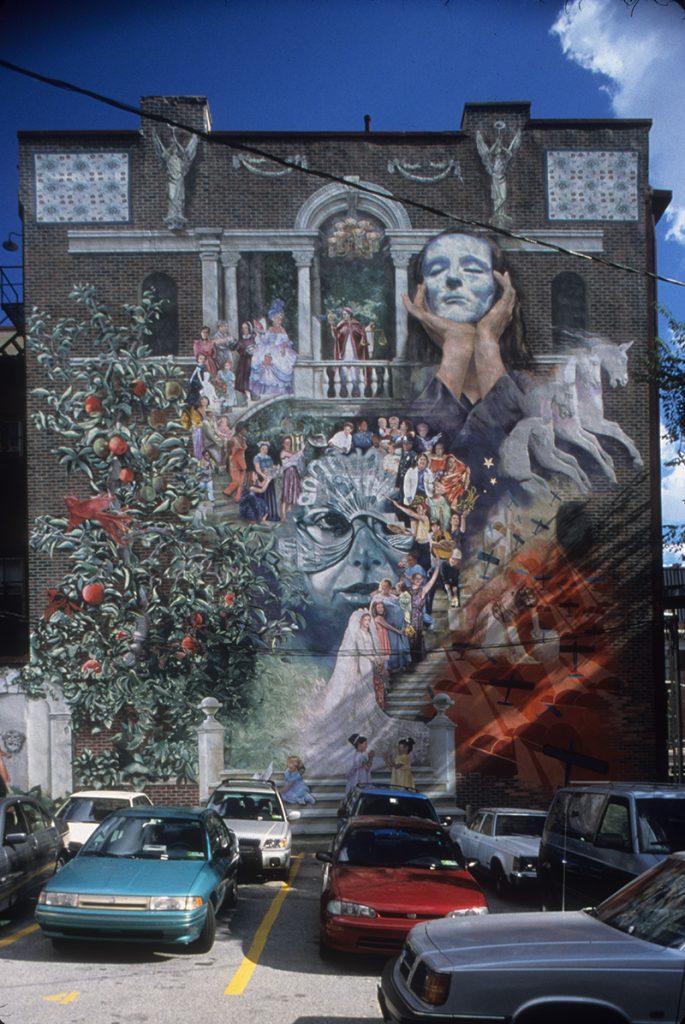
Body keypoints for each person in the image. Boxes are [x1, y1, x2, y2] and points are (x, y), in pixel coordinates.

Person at [405, 230, 533, 472]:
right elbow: (418, 460)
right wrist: (456, 348)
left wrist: (487, 344)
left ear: (501, 291)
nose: (453, 278)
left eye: (472, 269)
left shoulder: (532, 389)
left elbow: (527, 462)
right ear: (422, 296)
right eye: (436, 270)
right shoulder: (402, 389)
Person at [253, 441, 279, 521]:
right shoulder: (257, 457)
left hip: (269, 477)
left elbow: (271, 467)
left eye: (266, 449)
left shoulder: (269, 457)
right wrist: (263, 475)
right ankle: (262, 515)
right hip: (261, 478)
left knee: (270, 496)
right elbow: (257, 468)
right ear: (260, 449)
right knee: (262, 496)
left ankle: (271, 515)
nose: (265, 450)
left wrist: (275, 468)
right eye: (263, 449)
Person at [280, 436, 304, 519]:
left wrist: (301, 446)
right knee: (286, 491)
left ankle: (289, 509)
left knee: (294, 490)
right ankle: (283, 515)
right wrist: (299, 452)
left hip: (294, 472)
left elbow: (298, 457)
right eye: (286, 443)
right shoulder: (283, 452)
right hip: (288, 473)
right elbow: (293, 458)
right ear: (283, 444)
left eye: (289, 443)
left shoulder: (292, 452)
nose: (288, 444)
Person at [224, 425, 248, 502]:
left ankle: (238, 498)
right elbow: (228, 453)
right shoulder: (232, 440)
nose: (246, 431)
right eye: (245, 430)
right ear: (240, 430)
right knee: (236, 481)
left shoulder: (243, 439)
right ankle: (227, 492)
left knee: (241, 483)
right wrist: (224, 464)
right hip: (234, 464)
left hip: (242, 463)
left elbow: (243, 451)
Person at [235, 321, 255, 404]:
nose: (244, 330)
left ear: (249, 329)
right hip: (244, 363)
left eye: (246, 328)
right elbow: (238, 350)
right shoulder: (241, 341)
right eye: (243, 328)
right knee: (244, 380)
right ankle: (248, 397)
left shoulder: (254, 339)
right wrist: (244, 352)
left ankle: (253, 395)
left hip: (253, 362)